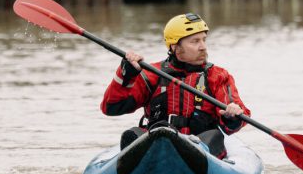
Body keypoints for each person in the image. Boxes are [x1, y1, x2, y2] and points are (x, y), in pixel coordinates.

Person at [100, 12, 250, 158]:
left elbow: (232, 125)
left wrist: (233, 115)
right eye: (195, 41)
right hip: (159, 142)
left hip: (201, 147)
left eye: (204, 40)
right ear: (175, 47)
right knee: (138, 133)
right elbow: (111, 108)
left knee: (214, 136)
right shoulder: (152, 74)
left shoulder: (217, 76)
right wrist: (126, 75)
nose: (203, 46)